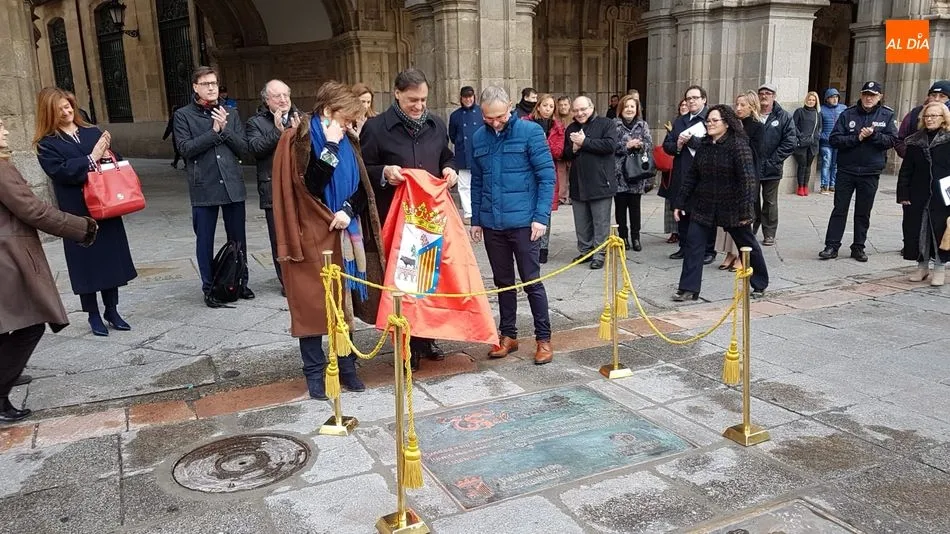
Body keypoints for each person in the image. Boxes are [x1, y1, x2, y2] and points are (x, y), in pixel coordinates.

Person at [271, 81, 385, 399]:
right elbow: (310, 186)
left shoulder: (348, 139)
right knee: (311, 303)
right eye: (346, 118)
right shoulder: (300, 138)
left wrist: (348, 209)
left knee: (342, 302)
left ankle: (347, 366)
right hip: (312, 231)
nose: (349, 125)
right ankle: (314, 371)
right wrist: (331, 147)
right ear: (327, 111)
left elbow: (362, 186)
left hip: (344, 230)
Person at [1, 116, 98, 423]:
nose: (5, 130)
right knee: (31, 324)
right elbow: (33, 210)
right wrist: (80, 227)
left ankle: (7, 371)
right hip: (8, 259)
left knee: (8, 324)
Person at [359, 67, 457, 367]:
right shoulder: (376, 128)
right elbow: (363, 169)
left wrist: (450, 169)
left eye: (423, 100)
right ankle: (406, 345)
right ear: (397, 94)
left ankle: (426, 339)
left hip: (428, 219)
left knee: (428, 281)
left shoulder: (436, 124)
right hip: (397, 220)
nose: (419, 106)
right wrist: (384, 172)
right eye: (413, 100)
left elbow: (446, 155)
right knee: (404, 283)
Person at [34, 87, 137, 336]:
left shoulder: (92, 132)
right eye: (59, 109)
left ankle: (112, 309)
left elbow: (115, 158)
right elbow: (60, 171)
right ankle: (93, 314)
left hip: (106, 205)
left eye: (68, 106)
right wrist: (92, 158)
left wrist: (105, 154)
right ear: (49, 113)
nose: (66, 112)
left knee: (110, 259)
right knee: (85, 263)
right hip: (76, 211)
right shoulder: (46, 144)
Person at [470, 86, 555, 364]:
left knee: (531, 281)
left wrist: (541, 217)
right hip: (493, 223)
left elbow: (546, 176)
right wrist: (476, 220)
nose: (495, 123)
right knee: (503, 282)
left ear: (510, 107)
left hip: (524, 223)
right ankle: (508, 335)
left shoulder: (531, 132)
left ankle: (543, 338)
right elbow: (478, 181)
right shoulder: (479, 137)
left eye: (500, 117)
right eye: (489, 118)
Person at [672, 105, 769, 301]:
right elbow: (692, 176)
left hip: (732, 206)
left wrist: (746, 211)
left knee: (747, 245)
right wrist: (680, 202)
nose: (710, 124)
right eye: (708, 121)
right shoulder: (704, 145)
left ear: (727, 123)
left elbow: (748, 181)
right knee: (693, 244)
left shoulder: (738, 145)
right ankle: (688, 288)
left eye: (714, 120)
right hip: (704, 204)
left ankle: (760, 283)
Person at [174, 66, 253, 308]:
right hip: (204, 185)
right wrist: (214, 131)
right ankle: (209, 287)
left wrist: (225, 129)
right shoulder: (183, 115)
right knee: (205, 240)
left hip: (232, 184)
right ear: (195, 87)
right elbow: (185, 149)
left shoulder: (231, 113)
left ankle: (240, 281)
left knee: (238, 238)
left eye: (214, 83)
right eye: (206, 84)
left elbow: (244, 149)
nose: (211, 88)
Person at [819, 81, 898, 262]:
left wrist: (874, 135)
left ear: (879, 97)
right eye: (866, 94)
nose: (869, 98)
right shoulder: (848, 114)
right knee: (839, 209)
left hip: (870, 171)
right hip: (847, 170)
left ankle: (858, 247)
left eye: (872, 95)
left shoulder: (886, 115)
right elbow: (835, 139)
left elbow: (892, 140)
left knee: (863, 212)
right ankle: (831, 245)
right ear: (861, 95)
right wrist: (858, 137)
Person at [246, 79, 301, 295]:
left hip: (299, 186)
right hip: (272, 186)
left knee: (302, 233)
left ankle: (304, 276)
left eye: (286, 95)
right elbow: (255, 148)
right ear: (267, 100)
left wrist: (300, 133)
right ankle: (287, 281)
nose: (283, 99)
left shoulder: (301, 117)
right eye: (277, 96)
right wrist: (278, 132)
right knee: (279, 237)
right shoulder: (255, 122)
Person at [662, 86, 717, 264]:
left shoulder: (711, 118)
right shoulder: (680, 120)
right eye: (688, 98)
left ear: (704, 99)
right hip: (682, 172)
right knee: (682, 210)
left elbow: (713, 145)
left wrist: (691, 141)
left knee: (704, 213)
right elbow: (667, 145)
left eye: (695, 97)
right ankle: (684, 246)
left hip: (703, 174)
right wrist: (678, 145)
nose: (691, 101)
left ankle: (708, 250)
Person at [897, 101, 950, 286]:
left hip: (944, 194)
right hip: (918, 193)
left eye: (934, 116)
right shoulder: (915, 141)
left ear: (943, 118)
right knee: (918, 230)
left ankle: (940, 268)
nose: (929, 119)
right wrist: (903, 194)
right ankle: (922, 266)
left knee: (941, 231)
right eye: (927, 116)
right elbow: (906, 170)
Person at [563, 95, 618, 270]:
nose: (579, 113)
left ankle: (599, 254)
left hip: (600, 182)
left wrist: (584, 142)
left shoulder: (606, 124)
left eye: (583, 109)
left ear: (591, 107)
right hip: (578, 182)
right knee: (581, 222)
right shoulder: (571, 128)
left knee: (600, 222)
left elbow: (610, 146)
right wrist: (573, 148)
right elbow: (565, 154)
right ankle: (585, 251)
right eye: (576, 110)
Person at [718, 90, 765, 272]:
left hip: (747, 176)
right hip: (730, 176)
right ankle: (730, 252)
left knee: (744, 218)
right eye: (736, 104)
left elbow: (756, 153)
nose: (738, 108)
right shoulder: (733, 125)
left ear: (752, 106)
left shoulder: (757, 127)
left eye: (742, 105)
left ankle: (741, 255)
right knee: (729, 217)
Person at [755, 83, 797, 246]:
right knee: (751, 200)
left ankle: (769, 233)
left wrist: (773, 160)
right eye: (761, 93)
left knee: (770, 201)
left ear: (774, 96)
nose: (764, 96)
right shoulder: (752, 114)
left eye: (768, 93)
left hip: (772, 167)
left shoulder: (783, 116)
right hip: (752, 166)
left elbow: (790, 142)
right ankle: (751, 230)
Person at [524, 93, 564, 263]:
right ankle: (528, 244)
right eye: (545, 105)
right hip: (527, 171)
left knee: (544, 209)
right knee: (527, 207)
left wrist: (540, 144)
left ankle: (543, 248)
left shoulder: (557, 127)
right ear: (538, 106)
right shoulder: (526, 123)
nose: (548, 109)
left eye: (551, 106)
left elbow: (558, 151)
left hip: (547, 170)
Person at [613, 94, 653, 252]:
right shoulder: (614, 125)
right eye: (626, 106)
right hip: (619, 173)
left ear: (637, 109)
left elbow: (649, 144)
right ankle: (623, 236)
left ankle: (636, 237)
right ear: (621, 109)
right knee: (620, 208)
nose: (629, 109)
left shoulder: (643, 125)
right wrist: (626, 145)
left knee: (635, 208)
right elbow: (610, 146)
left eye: (632, 106)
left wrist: (640, 145)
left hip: (637, 171)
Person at [449, 85, 482, 222]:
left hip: (479, 153)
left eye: (470, 97)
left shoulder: (481, 111)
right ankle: (468, 213)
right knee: (464, 186)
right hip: (463, 153)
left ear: (474, 97)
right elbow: (452, 135)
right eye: (465, 97)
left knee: (481, 183)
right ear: (461, 98)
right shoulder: (455, 116)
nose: (468, 100)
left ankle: (481, 211)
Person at [896, 80, 950, 158]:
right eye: (933, 95)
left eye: (942, 96)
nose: (937, 99)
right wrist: (912, 157)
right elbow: (900, 140)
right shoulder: (914, 113)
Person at [661, 98, 690, 244]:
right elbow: (667, 144)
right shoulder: (676, 123)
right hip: (674, 169)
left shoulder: (700, 122)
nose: (684, 106)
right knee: (671, 201)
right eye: (682, 105)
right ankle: (674, 232)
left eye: (686, 104)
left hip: (690, 169)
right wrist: (677, 144)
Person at [818, 88, 847, 194]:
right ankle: (824, 185)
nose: (835, 99)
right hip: (826, 142)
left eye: (836, 97)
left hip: (838, 142)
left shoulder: (843, 108)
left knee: (835, 165)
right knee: (826, 163)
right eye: (832, 97)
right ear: (827, 99)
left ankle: (832, 184)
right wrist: (821, 136)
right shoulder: (821, 110)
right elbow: (818, 126)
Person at [793, 91, 822, 196]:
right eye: (809, 99)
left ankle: (806, 186)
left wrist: (816, 138)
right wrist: (800, 135)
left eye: (813, 100)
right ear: (806, 100)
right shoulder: (799, 111)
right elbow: (793, 125)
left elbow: (819, 128)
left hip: (813, 144)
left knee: (808, 166)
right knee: (802, 165)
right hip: (801, 143)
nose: (811, 101)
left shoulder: (817, 114)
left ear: (816, 102)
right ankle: (800, 187)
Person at [555, 96, 574, 205]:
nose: (563, 107)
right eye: (561, 105)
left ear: (569, 105)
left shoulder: (574, 117)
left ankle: (572, 196)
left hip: (571, 150)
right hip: (560, 151)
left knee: (573, 175)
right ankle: (561, 197)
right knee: (560, 175)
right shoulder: (555, 118)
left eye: (565, 104)